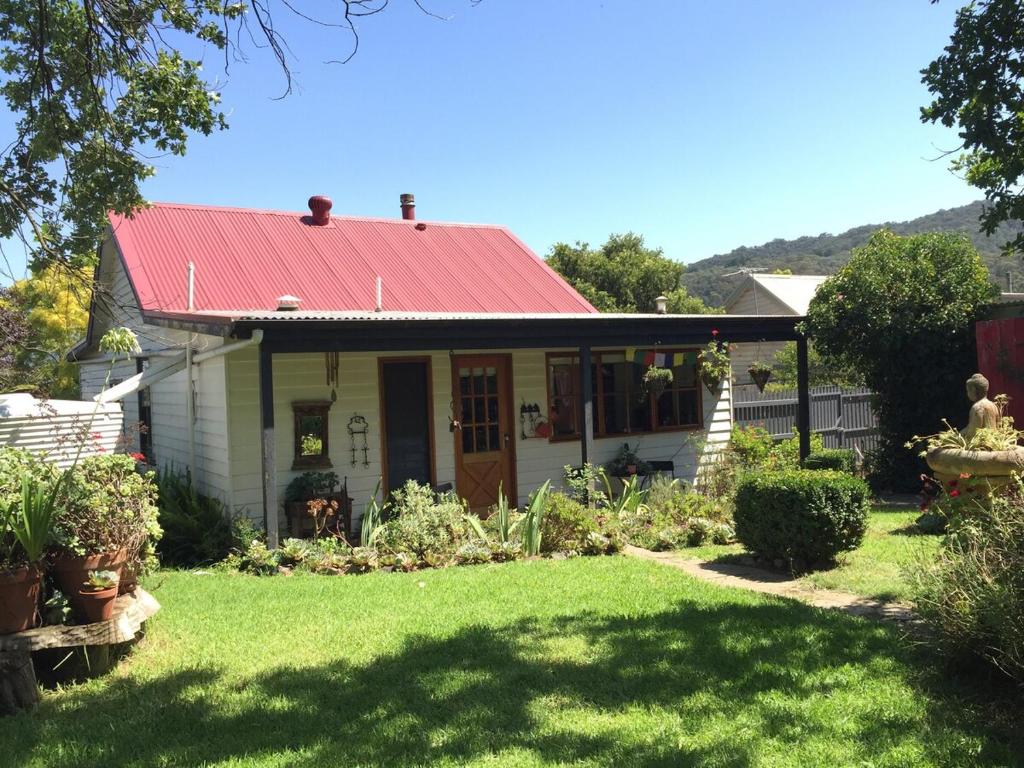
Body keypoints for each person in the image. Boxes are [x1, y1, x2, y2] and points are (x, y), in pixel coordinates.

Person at [963, 373, 1000, 441]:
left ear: (973, 390)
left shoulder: (977, 407)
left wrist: (958, 435)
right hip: (994, 442)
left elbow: (973, 431)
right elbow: (998, 427)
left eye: (968, 391)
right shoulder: (993, 405)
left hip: (981, 444)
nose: (967, 394)